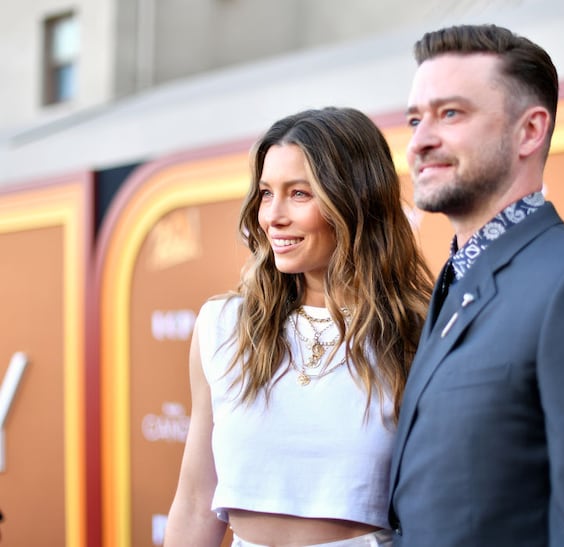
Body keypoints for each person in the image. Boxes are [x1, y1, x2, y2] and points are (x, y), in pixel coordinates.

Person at [387, 24, 564, 546]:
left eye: (451, 113)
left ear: (530, 131)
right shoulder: (456, 280)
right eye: (414, 118)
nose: (420, 140)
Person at [164, 107, 433, 547]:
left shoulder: (415, 332)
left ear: (355, 201)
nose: (273, 216)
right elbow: (196, 500)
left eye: (300, 194)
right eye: (267, 193)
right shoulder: (223, 326)